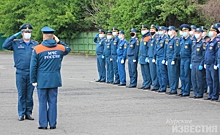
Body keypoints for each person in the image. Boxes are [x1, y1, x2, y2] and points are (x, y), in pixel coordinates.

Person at [30, 26, 71, 129]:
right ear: (53, 36)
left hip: (42, 79)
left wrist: (33, 79)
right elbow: (68, 49)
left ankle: (43, 124)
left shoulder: (38, 49)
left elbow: (33, 66)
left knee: (42, 102)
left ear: (44, 36)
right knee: (53, 102)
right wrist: (59, 41)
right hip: (54, 79)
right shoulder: (60, 48)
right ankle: (53, 124)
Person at [2, 23, 38, 121]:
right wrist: (14, 35)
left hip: (31, 72)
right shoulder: (16, 43)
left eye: (29, 32)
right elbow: (4, 45)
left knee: (29, 95)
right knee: (22, 93)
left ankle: (28, 112)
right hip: (20, 72)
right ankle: (21, 113)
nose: (27, 33)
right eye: (25, 32)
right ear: (22, 33)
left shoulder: (35, 44)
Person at [204, 25, 219, 101]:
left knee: (214, 80)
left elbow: (217, 54)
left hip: (213, 63)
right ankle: (210, 94)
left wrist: (216, 63)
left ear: (216, 33)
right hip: (208, 63)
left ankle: (214, 95)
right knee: (209, 80)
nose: (210, 32)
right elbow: (206, 53)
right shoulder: (209, 41)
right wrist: (205, 62)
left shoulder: (217, 42)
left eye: (212, 31)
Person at [190, 28, 206, 98]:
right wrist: (191, 62)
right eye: (196, 32)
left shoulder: (203, 43)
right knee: (193, 78)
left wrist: (201, 64)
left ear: (201, 34)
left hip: (199, 62)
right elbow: (192, 53)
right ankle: (195, 92)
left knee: (199, 78)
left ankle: (200, 93)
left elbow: (204, 55)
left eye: (198, 32)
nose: (196, 34)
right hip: (193, 62)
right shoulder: (194, 42)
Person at [166, 26, 180, 95]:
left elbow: (176, 50)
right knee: (170, 75)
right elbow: (168, 51)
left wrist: (174, 59)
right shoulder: (169, 39)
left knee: (174, 74)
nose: (169, 31)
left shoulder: (176, 40)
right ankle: (172, 88)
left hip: (173, 59)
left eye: (170, 30)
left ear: (174, 31)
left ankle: (174, 89)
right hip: (169, 58)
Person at [179, 24, 192, 97]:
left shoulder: (190, 40)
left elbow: (191, 51)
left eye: (186, 30)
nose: (184, 32)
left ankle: (186, 91)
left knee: (187, 75)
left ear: (188, 31)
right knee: (182, 75)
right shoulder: (181, 40)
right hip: (182, 59)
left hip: (187, 59)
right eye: (183, 31)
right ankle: (183, 89)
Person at [155, 26, 168, 92]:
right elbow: (156, 48)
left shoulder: (166, 39)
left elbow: (166, 49)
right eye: (159, 30)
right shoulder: (158, 38)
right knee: (158, 72)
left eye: (161, 30)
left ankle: (163, 87)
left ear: (164, 31)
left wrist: (165, 58)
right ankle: (160, 86)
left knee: (163, 73)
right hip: (158, 57)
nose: (160, 31)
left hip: (162, 57)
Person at [138, 25, 151, 90]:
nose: (142, 31)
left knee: (147, 72)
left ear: (147, 30)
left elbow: (149, 48)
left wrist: (148, 56)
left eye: (144, 29)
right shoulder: (142, 38)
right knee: (143, 72)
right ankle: (145, 83)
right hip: (142, 57)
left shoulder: (148, 37)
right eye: (142, 29)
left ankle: (148, 84)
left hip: (146, 57)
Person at [148, 25, 159, 91]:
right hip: (150, 56)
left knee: (155, 72)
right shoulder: (151, 38)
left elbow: (156, 49)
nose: (151, 31)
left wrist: (154, 57)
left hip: (153, 57)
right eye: (151, 30)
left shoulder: (156, 39)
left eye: (153, 30)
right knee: (152, 72)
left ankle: (156, 85)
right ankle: (154, 84)